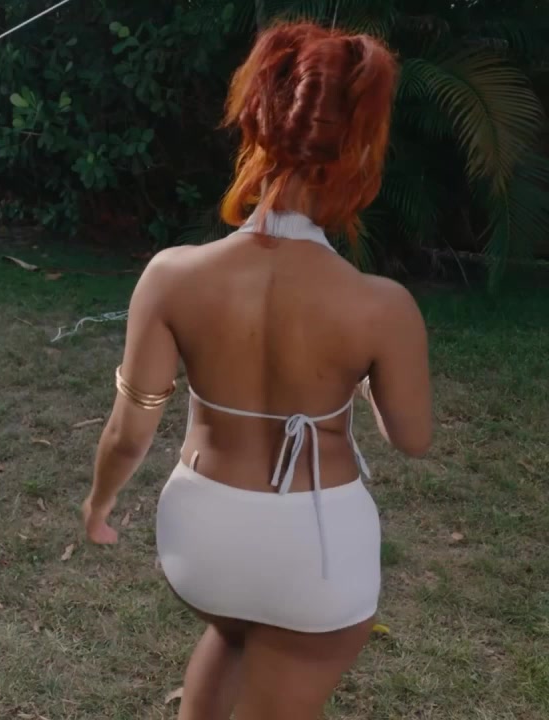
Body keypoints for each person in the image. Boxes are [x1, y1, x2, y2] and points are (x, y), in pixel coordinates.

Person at [81, 21, 433, 720]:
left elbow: (129, 431)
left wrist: (98, 505)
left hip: (201, 543)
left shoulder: (172, 275)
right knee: (285, 647)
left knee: (234, 632)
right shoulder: (380, 306)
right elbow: (412, 438)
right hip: (314, 555)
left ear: (259, 126)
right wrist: (359, 371)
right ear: (358, 151)